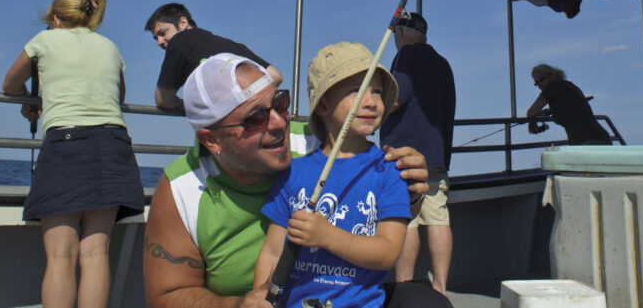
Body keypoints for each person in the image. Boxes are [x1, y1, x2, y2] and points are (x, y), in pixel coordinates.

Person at [142, 52, 450, 308]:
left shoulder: (316, 141)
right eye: (255, 118)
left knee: (425, 301)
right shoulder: (181, 189)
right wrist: (243, 303)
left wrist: (411, 190)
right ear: (212, 140)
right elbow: (166, 296)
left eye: (280, 103)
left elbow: (380, 219)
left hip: (354, 296)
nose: (280, 123)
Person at [2, 0, 143, 308]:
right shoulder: (110, 46)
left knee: (61, 255)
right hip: (114, 144)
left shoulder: (45, 39)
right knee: (95, 253)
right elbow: (118, 97)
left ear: (56, 18)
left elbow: (10, 84)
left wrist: (30, 99)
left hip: (66, 144)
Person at [254, 42, 410, 308]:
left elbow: (388, 252)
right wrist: (261, 298)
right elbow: (272, 252)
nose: (371, 102)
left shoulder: (389, 171)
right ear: (323, 105)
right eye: (356, 90)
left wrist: (327, 236)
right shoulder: (293, 172)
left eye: (377, 91)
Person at [380, 12, 456, 295]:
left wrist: (371, 110)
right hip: (437, 156)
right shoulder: (443, 63)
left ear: (400, 32)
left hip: (404, 156)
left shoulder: (406, 56)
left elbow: (396, 98)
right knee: (438, 218)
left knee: (406, 220)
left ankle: (405, 287)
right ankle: (441, 288)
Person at [145, 2, 283, 109]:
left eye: (163, 33)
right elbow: (275, 76)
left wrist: (199, 106)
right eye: (156, 38)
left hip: (225, 130)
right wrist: (241, 98)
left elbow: (163, 99)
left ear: (183, 23)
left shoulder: (179, 41)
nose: (159, 42)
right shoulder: (232, 45)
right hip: (261, 123)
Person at [526, 65, 611, 146]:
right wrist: (550, 111)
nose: (540, 85)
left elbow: (531, 112)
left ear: (552, 75)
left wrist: (532, 122)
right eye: (536, 83)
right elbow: (570, 107)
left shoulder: (551, 87)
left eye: (541, 79)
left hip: (585, 140)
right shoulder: (569, 85)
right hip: (602, 138)